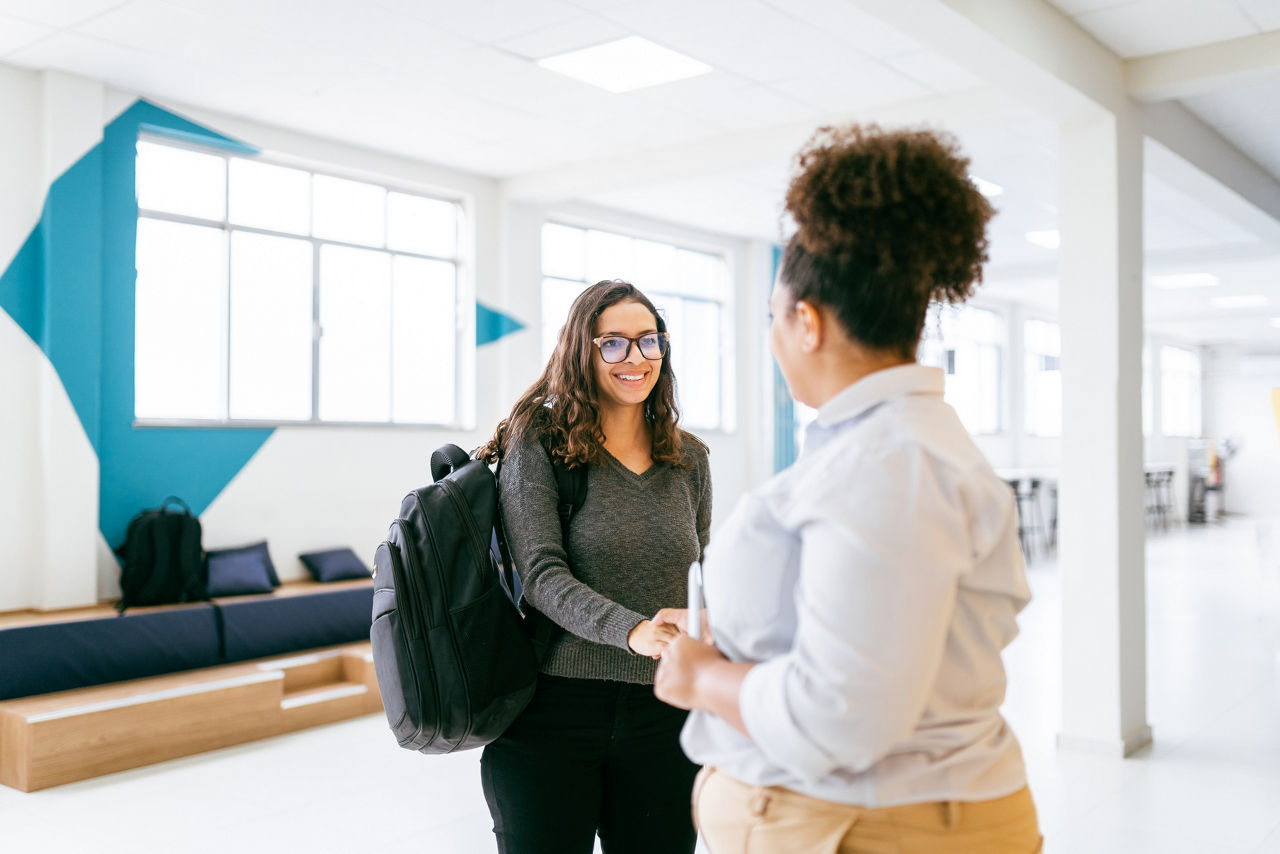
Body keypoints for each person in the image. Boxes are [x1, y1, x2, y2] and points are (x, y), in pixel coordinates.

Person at [654, 124, 1042, 853]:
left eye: (773, 317)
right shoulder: (883, 448)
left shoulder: (887, 465)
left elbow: (843, 711)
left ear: (806, 323)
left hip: (872, 826)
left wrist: (703, 680)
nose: (772, 338)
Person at [477, 279, 712, 854]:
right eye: (614, 344)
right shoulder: (540, 444)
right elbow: (540, 574)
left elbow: (697, 573)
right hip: (551, 711)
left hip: (664, 716)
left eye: (649, 342)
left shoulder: (691, 459)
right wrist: (632, 631)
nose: (635, 359)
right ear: (582, 349)